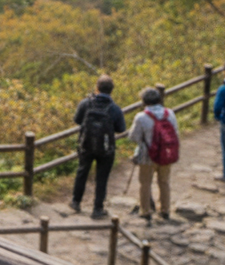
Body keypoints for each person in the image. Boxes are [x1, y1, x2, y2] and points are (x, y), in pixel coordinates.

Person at [71, 75, 127, 219]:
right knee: (102, 178)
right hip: (106, 148)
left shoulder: (85, 103)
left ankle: (76, 202)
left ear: (97, 88)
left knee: (82, 172)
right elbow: (121, 128)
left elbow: (77, 120)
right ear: (111, 90)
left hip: (86, 144)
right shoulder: (115, 109)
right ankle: (97, 208)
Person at [128, 87, 179, 223]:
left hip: (147, 156)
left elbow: (133, 137)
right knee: (164, 182)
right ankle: (165, 210)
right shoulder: (170, 113)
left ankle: (146, 211)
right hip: (166, 155)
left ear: (144, 101)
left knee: (145, 183)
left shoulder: (141, 117)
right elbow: (176, 133)